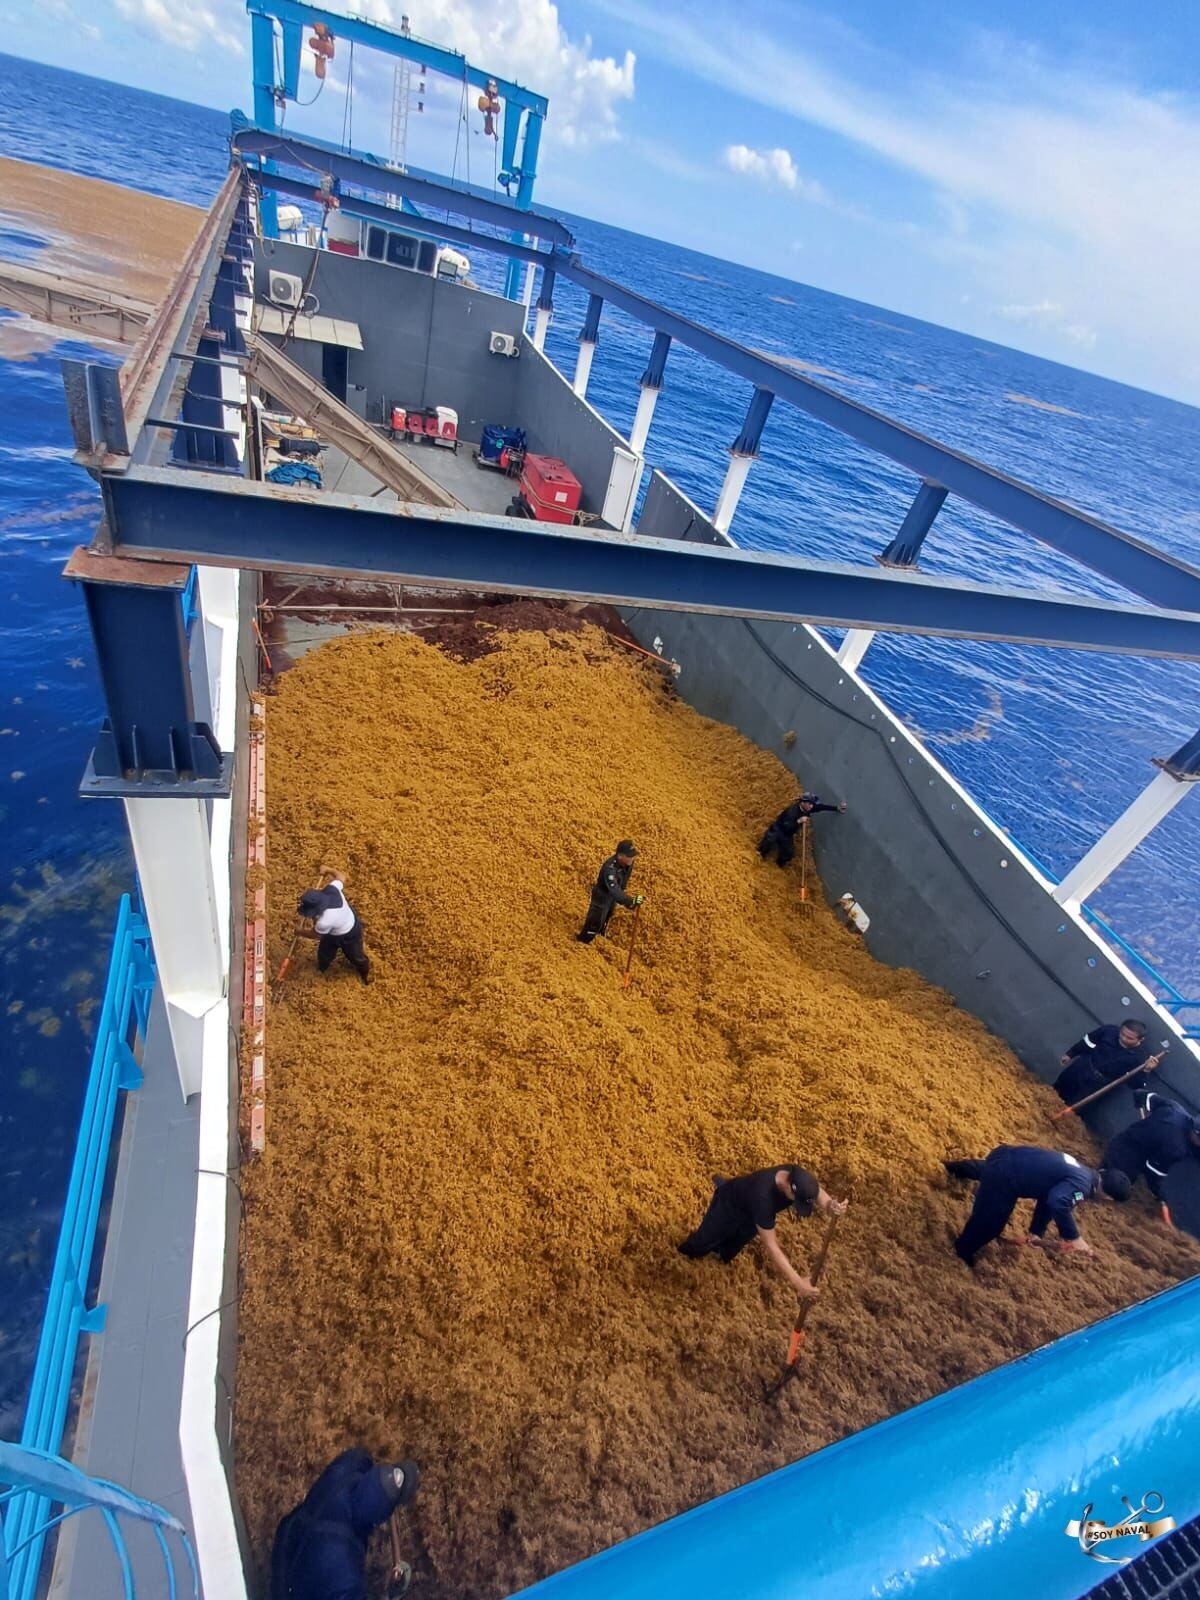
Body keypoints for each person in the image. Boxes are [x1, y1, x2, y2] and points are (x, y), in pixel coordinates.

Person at [944, 1145, 1130, 1267]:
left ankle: (951, 1168)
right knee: (990, 1224)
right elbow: (1058, 1202)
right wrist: (1073, 1237)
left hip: (1006, 1156)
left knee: (987, 1170)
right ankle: (961, 1252)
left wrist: (1036, 1232)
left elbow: (1048, 1196)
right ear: (1107, 1198)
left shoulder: (1084, 1172)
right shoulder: (1082, 1186)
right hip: (1005, 1178)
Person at [270, 1448, 420, 1600]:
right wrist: (391, 1596)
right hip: (287, 1590)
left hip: (288, 1533)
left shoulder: (348, 1467)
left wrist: (388, 1477)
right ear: (380, 1518)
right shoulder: (345, 1571)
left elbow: (361, 1455)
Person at [678, 1165, 847, 1298]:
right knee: (704, 1241)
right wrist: (797, 1282)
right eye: (797, 1201)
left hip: (751, 1218)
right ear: (788, 1187)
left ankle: (720, 1254)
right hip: (729, 1206)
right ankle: (685, 1255)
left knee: (731, 1247)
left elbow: (816, 1192)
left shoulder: (796, 1175)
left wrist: (830, 1205)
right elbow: (771, 1245)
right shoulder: (762, 1198)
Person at [1103, 1093, 1200, 1198]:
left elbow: (1141, 1094)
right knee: (1115, 1191)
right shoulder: (1177, 1148)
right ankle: (1086, 1192)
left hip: (1121, 1140)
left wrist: (1149, 1120)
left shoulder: (1175, 1108)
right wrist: (1158, 1193)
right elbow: (1153, 1172)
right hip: (1125, 1157)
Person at [1054, 1020, 1156, 1104]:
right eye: (1122, 1034)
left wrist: (1146, 1070)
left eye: (1129, 1038)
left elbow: (1135, 1084)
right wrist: (1070, 1054)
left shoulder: (1139, 1058)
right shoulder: (1109, 1031)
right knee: (1057, 1088)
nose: (1124, 1038)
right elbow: (1087, 1042)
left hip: (1097, 1084)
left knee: (1072, 1105)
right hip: (1082, 1066)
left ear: (1141, 1039)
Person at [297, 874, 371, 985]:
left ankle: (365, 975)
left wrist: (299, 932)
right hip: (335, 930)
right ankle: (321, 968)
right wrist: (328, 869)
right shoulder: (332, 889)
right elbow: (342, 876)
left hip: (350, 932)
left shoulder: (324, 921)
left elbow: (315, 935)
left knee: (356, 957)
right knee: (324, 953)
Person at [577, 840, 643, 944]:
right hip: (602, 896)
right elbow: (614, 889)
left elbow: (624, 881)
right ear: (620, 856)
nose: (633, 858)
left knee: (607, 916)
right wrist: (630, 901)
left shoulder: (629, 863)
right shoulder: (609, 868)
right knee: (595, 921)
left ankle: (600, 938)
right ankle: (583, 942)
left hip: (613, 897)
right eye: (630, 856)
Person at [757, 793, 846, 868]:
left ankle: (778, 865)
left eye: (812, 804)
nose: (812, 806)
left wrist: (836, 808)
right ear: (803, 803)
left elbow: (820, 807)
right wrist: (798, 821)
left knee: (789, 853)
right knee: (769, 840)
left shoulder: (808, 807)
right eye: (810, 804)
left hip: (788, 835)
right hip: (779, 829)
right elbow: (786, 827)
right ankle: (760, 855)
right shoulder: (792, 812)